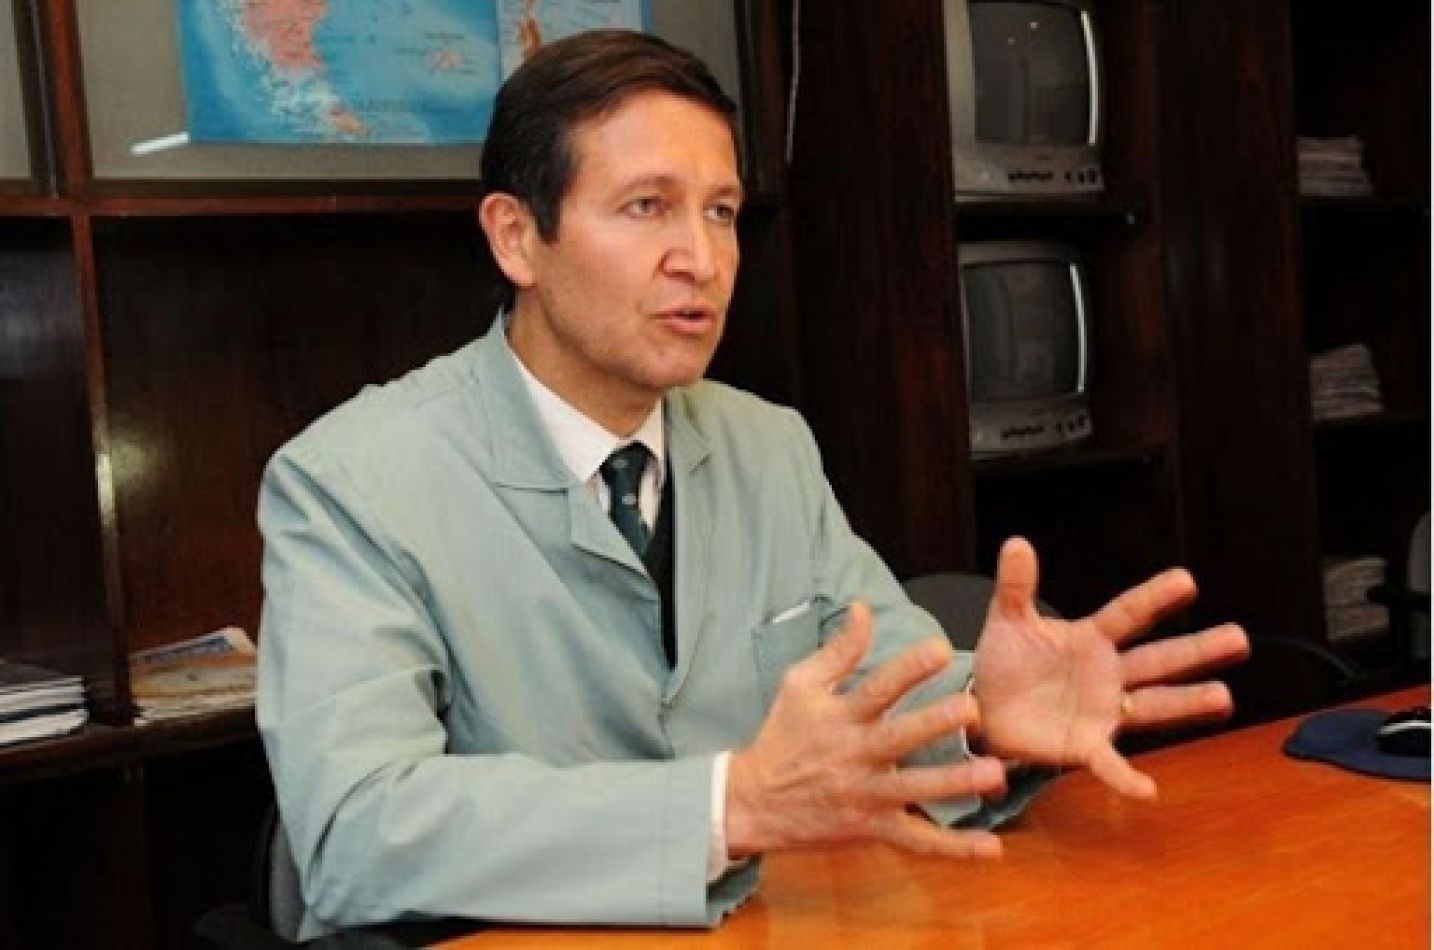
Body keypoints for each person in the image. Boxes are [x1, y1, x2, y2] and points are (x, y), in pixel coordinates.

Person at [256, 30, 1249, 940]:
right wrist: (727, 806)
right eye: (647, 206)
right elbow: (354, 829)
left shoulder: (766, 444)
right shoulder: (350, 482)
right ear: (517, 237)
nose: (701, 260)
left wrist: (984, 711)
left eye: (721, 211)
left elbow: (877, 683)